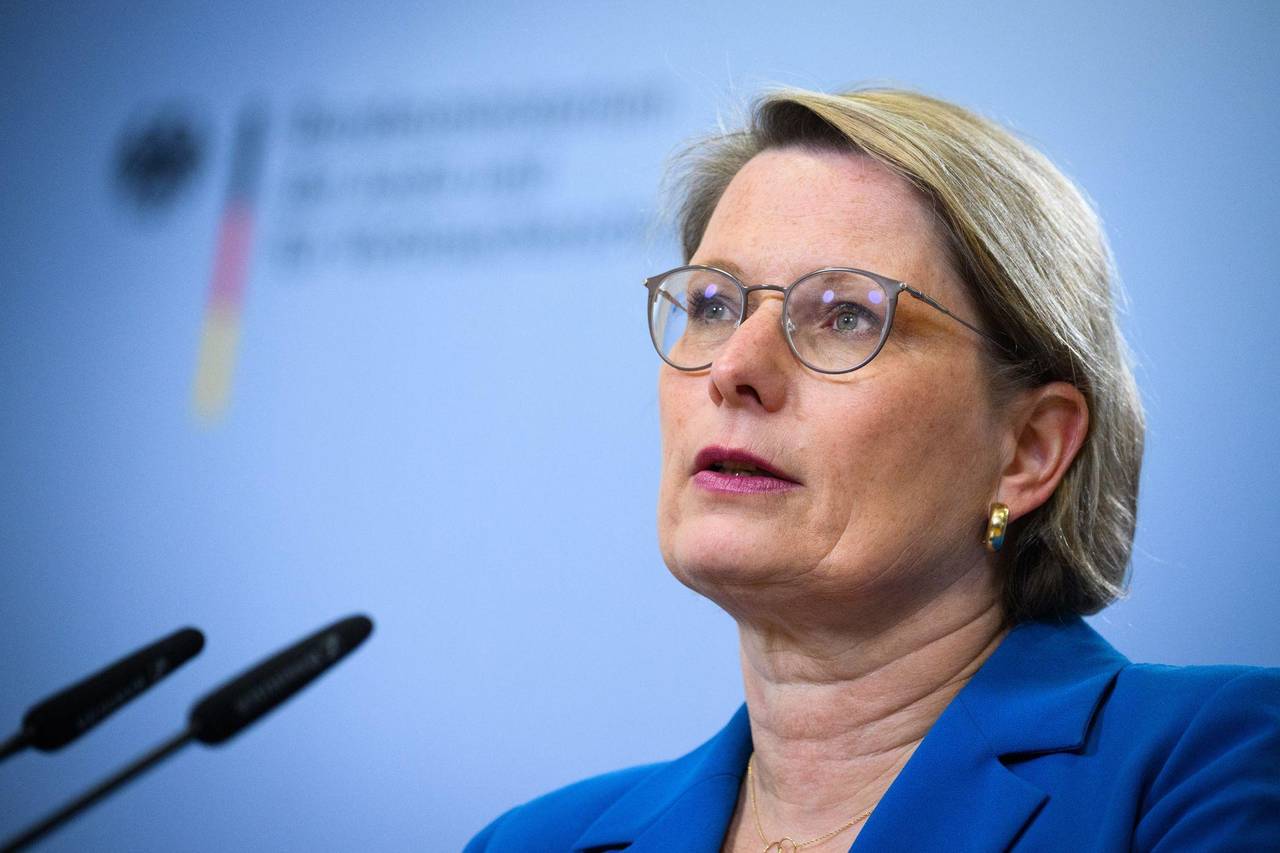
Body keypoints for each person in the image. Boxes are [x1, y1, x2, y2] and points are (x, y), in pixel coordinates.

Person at [465, 88, 1280, 852]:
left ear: (1029, 449)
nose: (733, 367)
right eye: (713, 305)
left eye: (847, 316)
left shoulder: (1208, 764)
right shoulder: (536, 841)